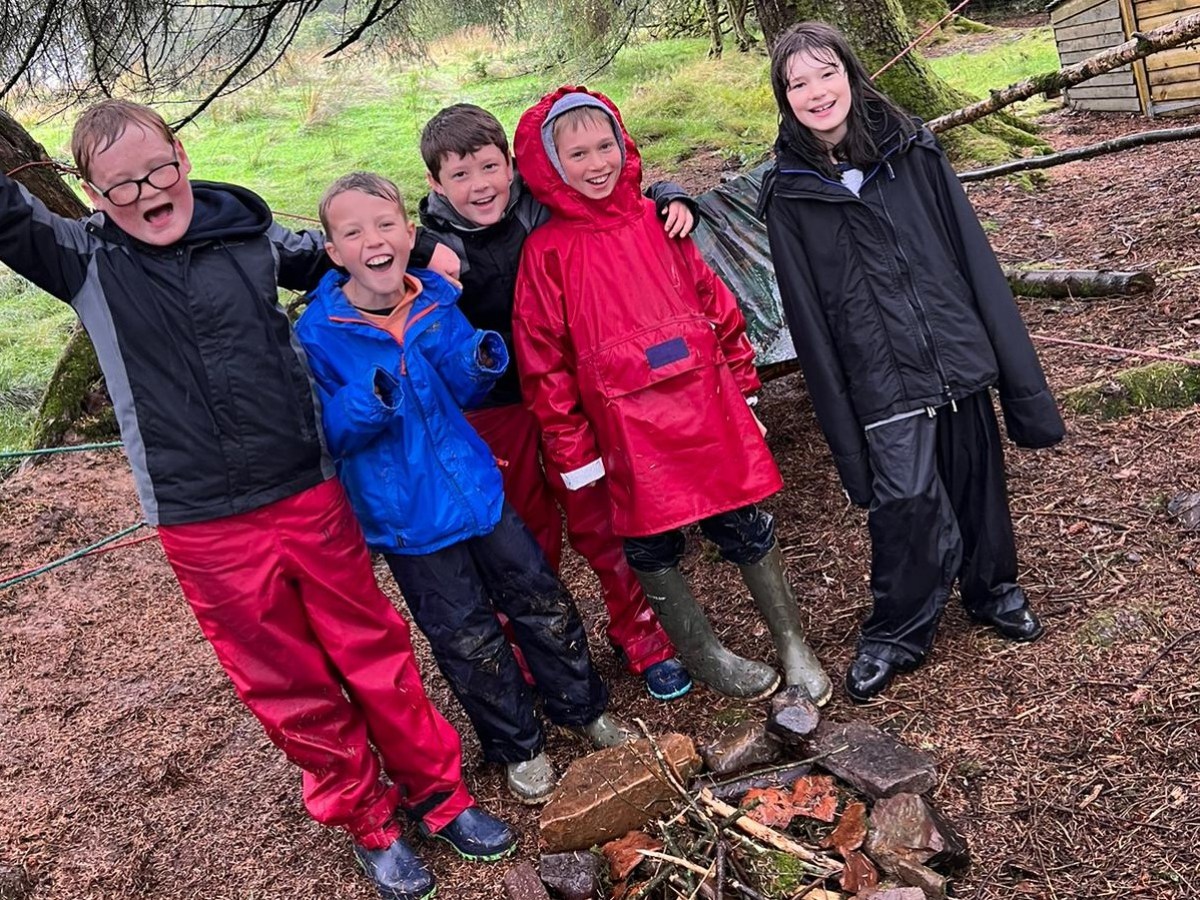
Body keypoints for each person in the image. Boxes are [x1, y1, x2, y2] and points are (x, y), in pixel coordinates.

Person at [0, 100, 513, 900]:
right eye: (121, 185)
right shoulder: (80, 259)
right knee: (286, 682)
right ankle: (369, 822)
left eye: (158, 170)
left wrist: (440, 246)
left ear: (182, 154)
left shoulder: (249, 236)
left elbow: (354, 252)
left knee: (372, 651)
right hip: (201, 520)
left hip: (306, 490)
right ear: (94, 196)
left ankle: (440, 796)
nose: (146, 192)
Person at [295, 172, 631, 806]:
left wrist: (479, 358)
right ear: (334, 251)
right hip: (409, 520)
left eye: (386, 224)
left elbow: (463, 387)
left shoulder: (435, 301)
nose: (375, 240)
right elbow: (325, 436)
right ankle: (518, 746)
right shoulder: (317, 334)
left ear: (409, 234)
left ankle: (581, 708)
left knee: (541, 599)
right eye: (354, 232)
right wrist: (366, 401)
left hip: (478, 490)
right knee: (466, 636)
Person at [758, 22, 1064, 702]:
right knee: (905, 503)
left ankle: (993, 590)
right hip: (878, 373)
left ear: (850, 72)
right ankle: (897, 629)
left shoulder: (914, 151)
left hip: (950, 350)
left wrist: (999, 352)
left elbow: (969, 253)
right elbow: (807, 316)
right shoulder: (789, 194)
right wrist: (839, 418)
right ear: (785, 98)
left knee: (977, 480)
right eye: (797, 83)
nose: (816, 91)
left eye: (825, 73)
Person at [511, 87, 832, 705]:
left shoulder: (663, 222)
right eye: (577, 153)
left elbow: (720, 307)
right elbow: (543, 366)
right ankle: (703, 651)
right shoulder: (546, 254)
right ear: (548, 164)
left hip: (705, 408)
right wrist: (575, 455)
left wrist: (743, 391)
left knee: (744, 520)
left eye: (605, 145)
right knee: (650, 541)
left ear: (624, 143)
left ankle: (793, 641)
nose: (597, 162)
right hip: (624, 430)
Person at [416, 103, 694, 702]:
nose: (480, 185)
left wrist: (670, 190)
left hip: (573, 395)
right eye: (459, 176)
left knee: (603, 517)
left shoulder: (543, 210)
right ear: (435, 184)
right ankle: (545, 652)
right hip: (496, 409)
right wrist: (417, 253)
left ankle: (642, 634)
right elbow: (360, 259)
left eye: (490, 167)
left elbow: (612, 197)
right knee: (526, 536)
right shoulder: (431, 249)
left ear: (513, 166)